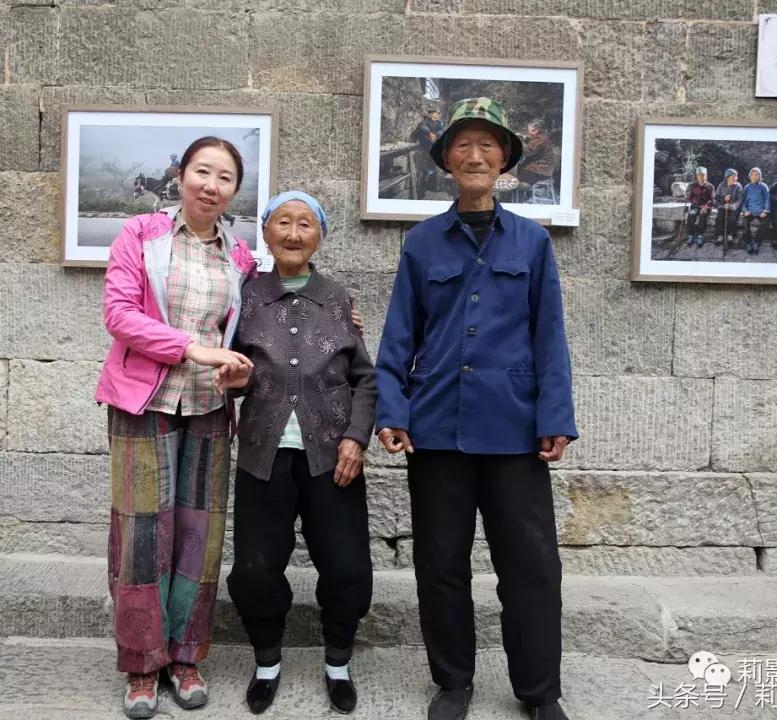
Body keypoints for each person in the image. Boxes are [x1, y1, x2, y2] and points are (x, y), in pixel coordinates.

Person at [376, 97, 577, 720]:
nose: (475, 155)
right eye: (463, 144)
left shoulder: (532, 242)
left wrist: (555, 418)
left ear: (505, 160)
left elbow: (551, 336)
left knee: (532, 567)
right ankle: (453, 683)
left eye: (488, 145)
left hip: (516, 431)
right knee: (440, 565)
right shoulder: (422, 244)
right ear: (446, 160)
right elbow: (398, 338)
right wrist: (393, 410)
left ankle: (540, 691)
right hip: (436, 429)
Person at [95, 136, 259, 719]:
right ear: (181, 176)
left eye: (224, 178)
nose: (211, 186)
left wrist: (235, 368)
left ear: (235, 191)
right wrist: (194, 348)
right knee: (142, 537)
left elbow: (247, 334)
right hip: (145, 403)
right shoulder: (142, 235)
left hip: (210, 410)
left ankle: (186, 654)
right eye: (202, 172)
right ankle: (143, 663)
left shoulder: (240, 256)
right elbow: (120, 315)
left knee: (199, 537)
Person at [219, 191, 378, 716]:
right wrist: (235, 381)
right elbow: (230, 372)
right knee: (253, 571)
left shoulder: (337, 298)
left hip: (333, 457)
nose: (292, 233)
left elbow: (365, 379)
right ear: (265, 233)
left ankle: (337, 662)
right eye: (282, 222)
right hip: (263, 457)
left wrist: (355, 437)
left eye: (305, 224)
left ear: (319, 236)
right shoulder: (244, 297)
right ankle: (267, 662)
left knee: (347, 566)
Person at [513, 119, 555, 202]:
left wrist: (519, 141)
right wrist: (524, 138)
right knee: (519, 172)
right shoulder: (542, 136)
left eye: (530, 129)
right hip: (545, 170)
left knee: (513, 181)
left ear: (538, 130)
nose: (528, 131)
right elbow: (533, 144)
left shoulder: (540, 139)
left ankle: (520, 200)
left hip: (540, 171)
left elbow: (528, 151)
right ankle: (525, 196)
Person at [414, 110, 445, 194]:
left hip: (435, 146)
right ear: (430, 116)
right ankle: (422, 187)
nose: (436, 117)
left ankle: (435, 186)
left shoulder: (438, 122)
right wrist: (430, 133)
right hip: (426, 147)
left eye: (437, 116)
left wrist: (436, 134)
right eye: (434, 115)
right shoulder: (424, 122)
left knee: (435, 167)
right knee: (424, 168)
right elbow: (422, 127)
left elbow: (441, 129)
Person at [740, 167, 770, 255]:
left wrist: (765, 210)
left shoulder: (764, 186)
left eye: (756, 175)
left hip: (761, 212)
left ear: (759, 176)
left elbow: (767, 199)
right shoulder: (747, 187)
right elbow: (743, 201)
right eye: (753, 175)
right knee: (745, 223)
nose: (754, 177)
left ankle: (757, 242)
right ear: (750, 176)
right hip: (750, 211)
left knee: (766, 223)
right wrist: (745, 210)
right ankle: (748, 242)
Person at [684, 166, 715, 247]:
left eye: (703, 175)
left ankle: (700, 236)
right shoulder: (693, 185)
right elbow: (690, 197)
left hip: (705, 206)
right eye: (699, 175)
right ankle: (691, 235)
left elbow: (712, 199)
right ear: (696, 176)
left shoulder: (710, 186)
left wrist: (706, 206)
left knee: (702, 217)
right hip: (695, 206)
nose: (701, 177)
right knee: (690, 216)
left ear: (706, 176)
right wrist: (687, 197)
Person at [713, 168, 744, 247]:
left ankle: (730, 235)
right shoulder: (721, 185)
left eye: (736, 176)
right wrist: (724, 200)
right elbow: (716, 197)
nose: (735, 178)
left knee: (732, 219)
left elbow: (739, 199)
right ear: (727, 177)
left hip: (733, 208)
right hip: (722, 206)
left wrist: (731, 206)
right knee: (719, 218)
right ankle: (720, 235)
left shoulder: (738, 186)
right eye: (733, 176)